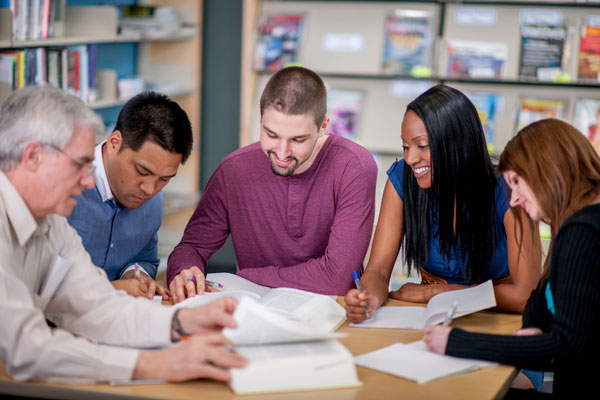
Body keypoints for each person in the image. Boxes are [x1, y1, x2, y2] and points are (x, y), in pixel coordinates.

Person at [0, 86, 245, 383]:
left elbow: (97, 305)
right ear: (33, 156)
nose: (89, 180)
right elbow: (27, 349)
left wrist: (182, 321)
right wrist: (154, 364)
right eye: (80, 164)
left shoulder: (51, 224)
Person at [167, 66, 378, 302]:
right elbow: (191, 247)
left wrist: (252, 276)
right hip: (256, 311)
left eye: (298, 139)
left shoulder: (354, 167)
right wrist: (184, 271)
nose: (282, 152)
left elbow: (337, 279)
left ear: (323, 125)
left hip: (331, 311)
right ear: (260, 114)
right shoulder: (233, 170)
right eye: (271, 134)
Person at [424, 118, 600, 398]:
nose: (515, 199)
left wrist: (459, 342)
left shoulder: (583, 229)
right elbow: (540, 298)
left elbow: (568, 345)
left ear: (548, 169)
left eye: (517, 182)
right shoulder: (572, 220)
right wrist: (532, 330)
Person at [67, 92, 193, 300]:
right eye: (143, 172)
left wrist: (136, 274)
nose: (149, 189)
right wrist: (111, 290)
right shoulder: (65, 186)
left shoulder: (153, 202)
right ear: (115, 142)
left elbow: (144, 259)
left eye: (165, 178)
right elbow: (38, 284)